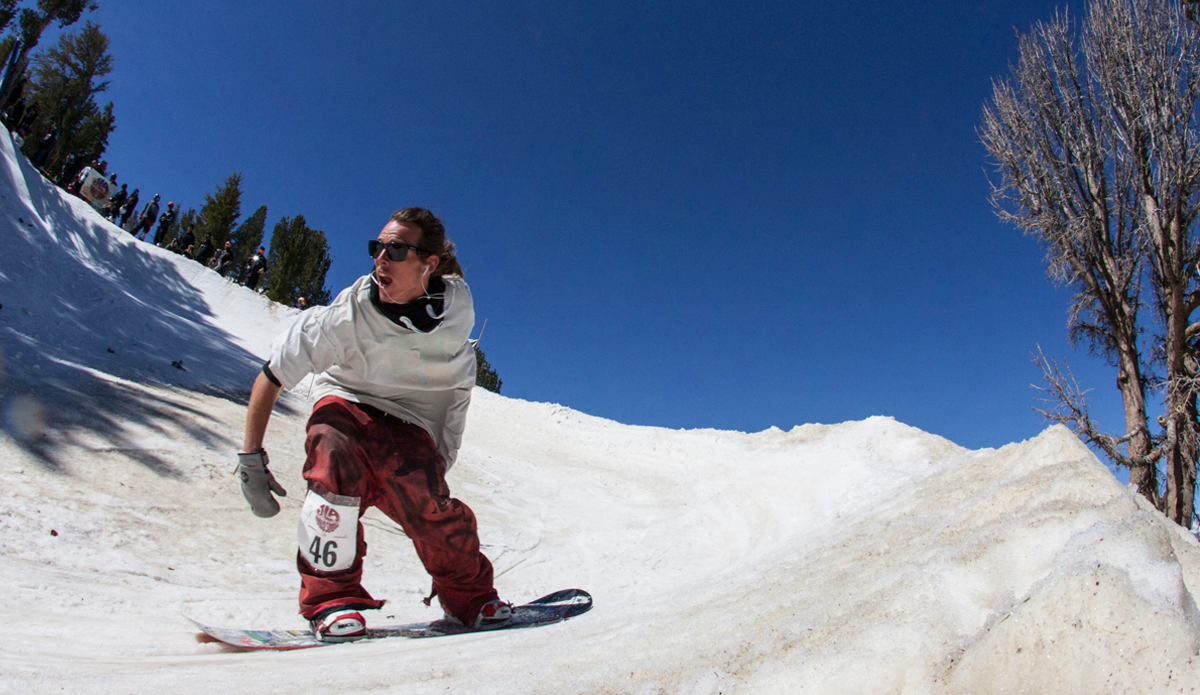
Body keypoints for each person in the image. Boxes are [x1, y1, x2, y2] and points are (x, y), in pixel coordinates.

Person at [235, 207, 509, 642]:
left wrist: (438, 461)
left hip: (411, 420)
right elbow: (272, 376)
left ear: (429, 263)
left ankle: (471, 597)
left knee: (428, 503)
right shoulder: (348, 315)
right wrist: (250, 458)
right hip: (347, 401)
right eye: (377, 247)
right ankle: (331, 599)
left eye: (396, 249)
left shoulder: (456, 320)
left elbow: (456, 393)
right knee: (332, 458)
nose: (380, 258)